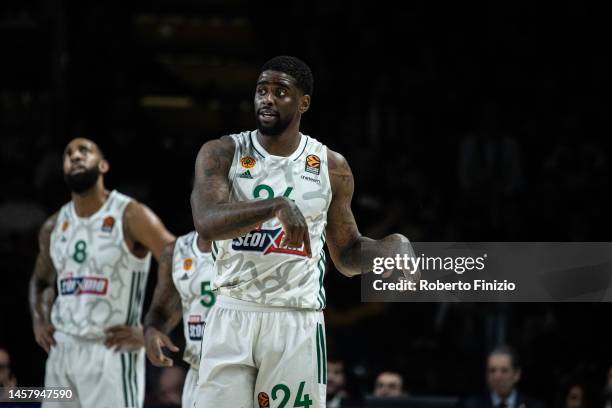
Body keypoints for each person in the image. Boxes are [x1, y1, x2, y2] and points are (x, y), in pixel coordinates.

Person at [191, 55, 415, 407]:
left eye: (280, 92)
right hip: (231, 311)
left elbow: (346, 254)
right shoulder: (221, 152)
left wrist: (391, 248)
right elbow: (206, 220)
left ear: (303, 102)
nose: (267, 98)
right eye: (261, 90)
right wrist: (274, 206)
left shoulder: (331, 166)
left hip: (295, 320)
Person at [29, 138, 175, 408]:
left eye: (84, 151)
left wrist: (154, 327)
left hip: (111, 350)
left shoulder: (131, 215)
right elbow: (41, 279)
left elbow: (183, 261)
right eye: (68, 153)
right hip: (62, 350)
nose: (75, 156)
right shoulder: (53, 225)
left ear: (103, 165)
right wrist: (39, 318)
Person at [143, 231, 215, 408]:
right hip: (198, 371)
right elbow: (159, 312)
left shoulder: (251, 244)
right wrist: (151, 330)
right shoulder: (177, 250)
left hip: (244, 364)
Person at [463, 346, 546, 408]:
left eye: (504, 371)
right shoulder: (472, 405)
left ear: (516, 374)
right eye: (492, 371)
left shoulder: (534, 406)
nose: (497, 377)